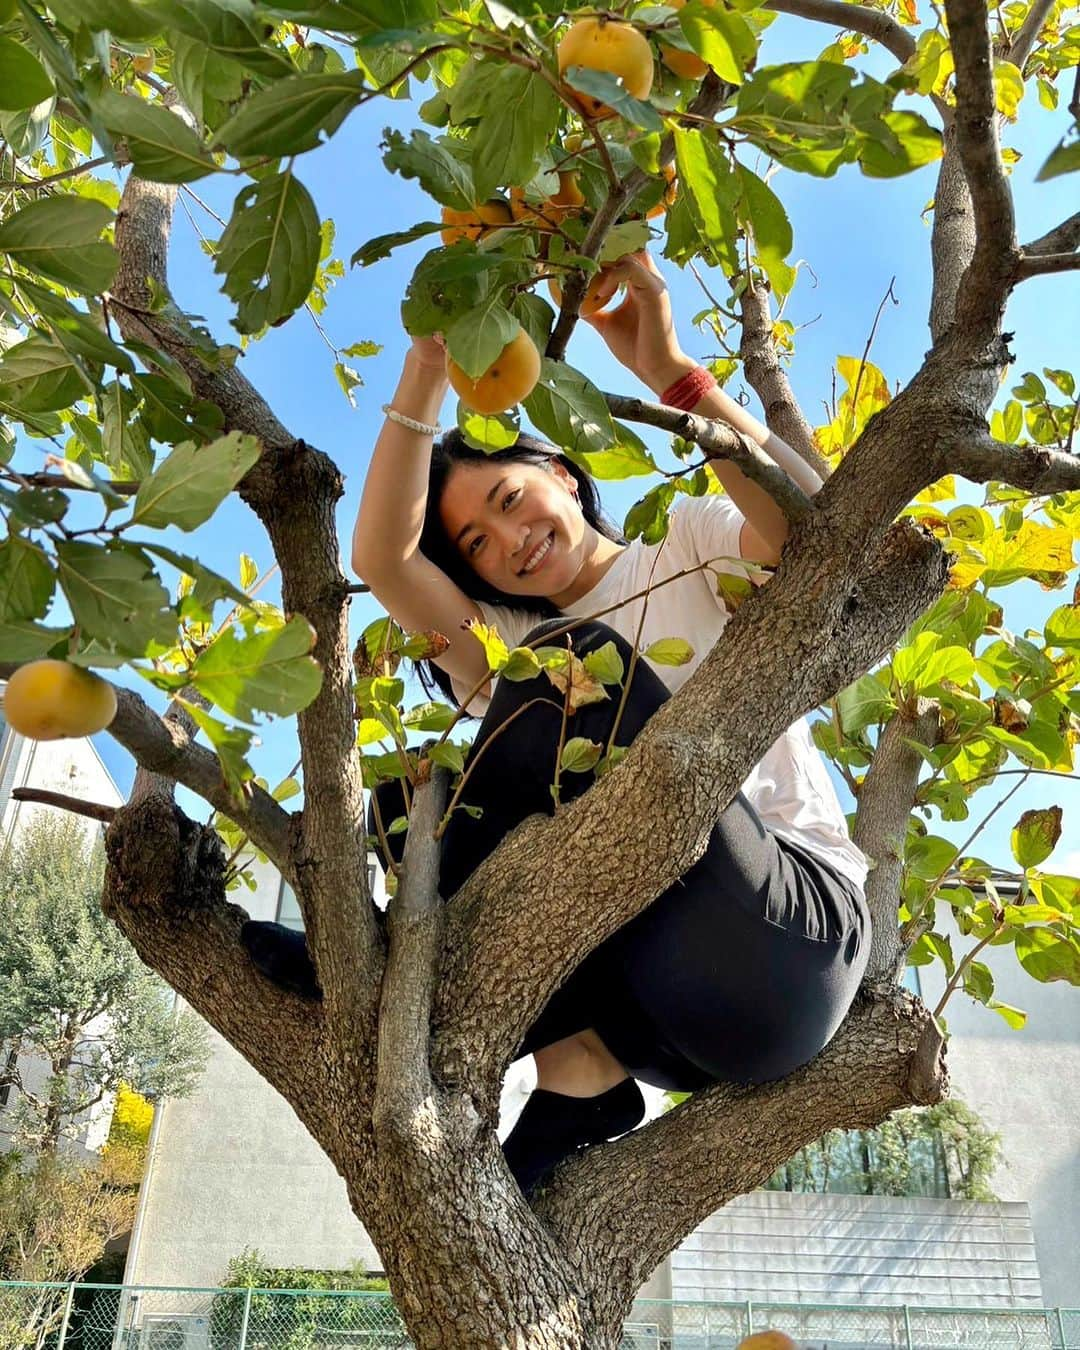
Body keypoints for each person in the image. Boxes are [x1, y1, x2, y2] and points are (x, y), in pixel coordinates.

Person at [242, 252, 871, 1195]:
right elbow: (381, 556)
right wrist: (427, 362)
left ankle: (409, 974)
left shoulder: (691, 545)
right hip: (664, 1018)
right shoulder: (503, 641)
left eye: (507, 500)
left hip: (786, 939)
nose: (508, 542)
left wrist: (673, 375)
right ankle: (578, 1080)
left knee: (570, 673)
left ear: (564, 475)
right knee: (411, 803)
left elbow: (817, 528)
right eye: (477, 548)